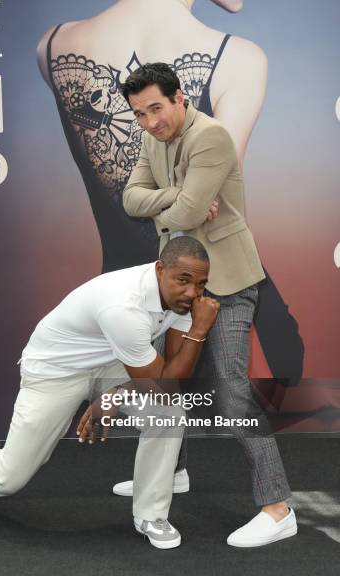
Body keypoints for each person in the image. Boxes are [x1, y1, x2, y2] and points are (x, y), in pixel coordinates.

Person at [37, 0, 303, 393]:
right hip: (199, 292)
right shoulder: (240, 58)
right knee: (212, 424)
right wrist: (185, 196)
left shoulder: (53, 45)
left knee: (154, 430)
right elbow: (208, 205)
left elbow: (193, 198)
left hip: (121, 293)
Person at [0, 237, 220, 550]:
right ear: (159, 270)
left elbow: (170, 386)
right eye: (183, 281)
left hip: (112, 362)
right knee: (10, 477)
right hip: (56, 369)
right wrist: (199, 331)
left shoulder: (183, 297)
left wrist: (116, 392)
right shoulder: (124, 306)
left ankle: (151, 515)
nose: (193, 293)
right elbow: (163, 381)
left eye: (201, 284)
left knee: (168, 412)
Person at [120, 62, 297, 547]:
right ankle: (169, 474)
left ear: (180, 98)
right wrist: (175, 196)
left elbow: (191, 213)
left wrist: (173, 202)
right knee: (165, 380)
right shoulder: (150, 137)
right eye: (139, 114)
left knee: (230, 387)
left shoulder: (211, 136)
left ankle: (278, 508)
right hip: (178, 283)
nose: (150, 122)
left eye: (156, 108)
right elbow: (130, 199)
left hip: (226, 282)